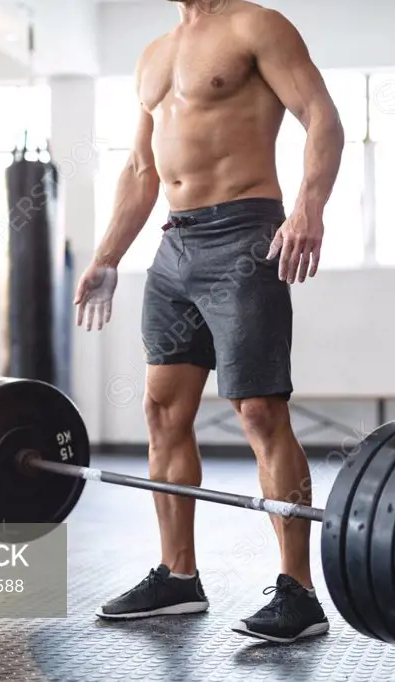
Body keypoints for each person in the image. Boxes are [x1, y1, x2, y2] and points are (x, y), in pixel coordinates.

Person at [73, 0, 344, 644]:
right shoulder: (154, 53)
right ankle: (177, 576)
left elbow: (321, 117)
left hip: (247, 233)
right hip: (174, 246)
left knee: (258, 410)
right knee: (162, 410)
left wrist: (309, 206)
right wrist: (107, 256)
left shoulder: (256, 25)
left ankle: (298, 593)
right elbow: (142, 169)